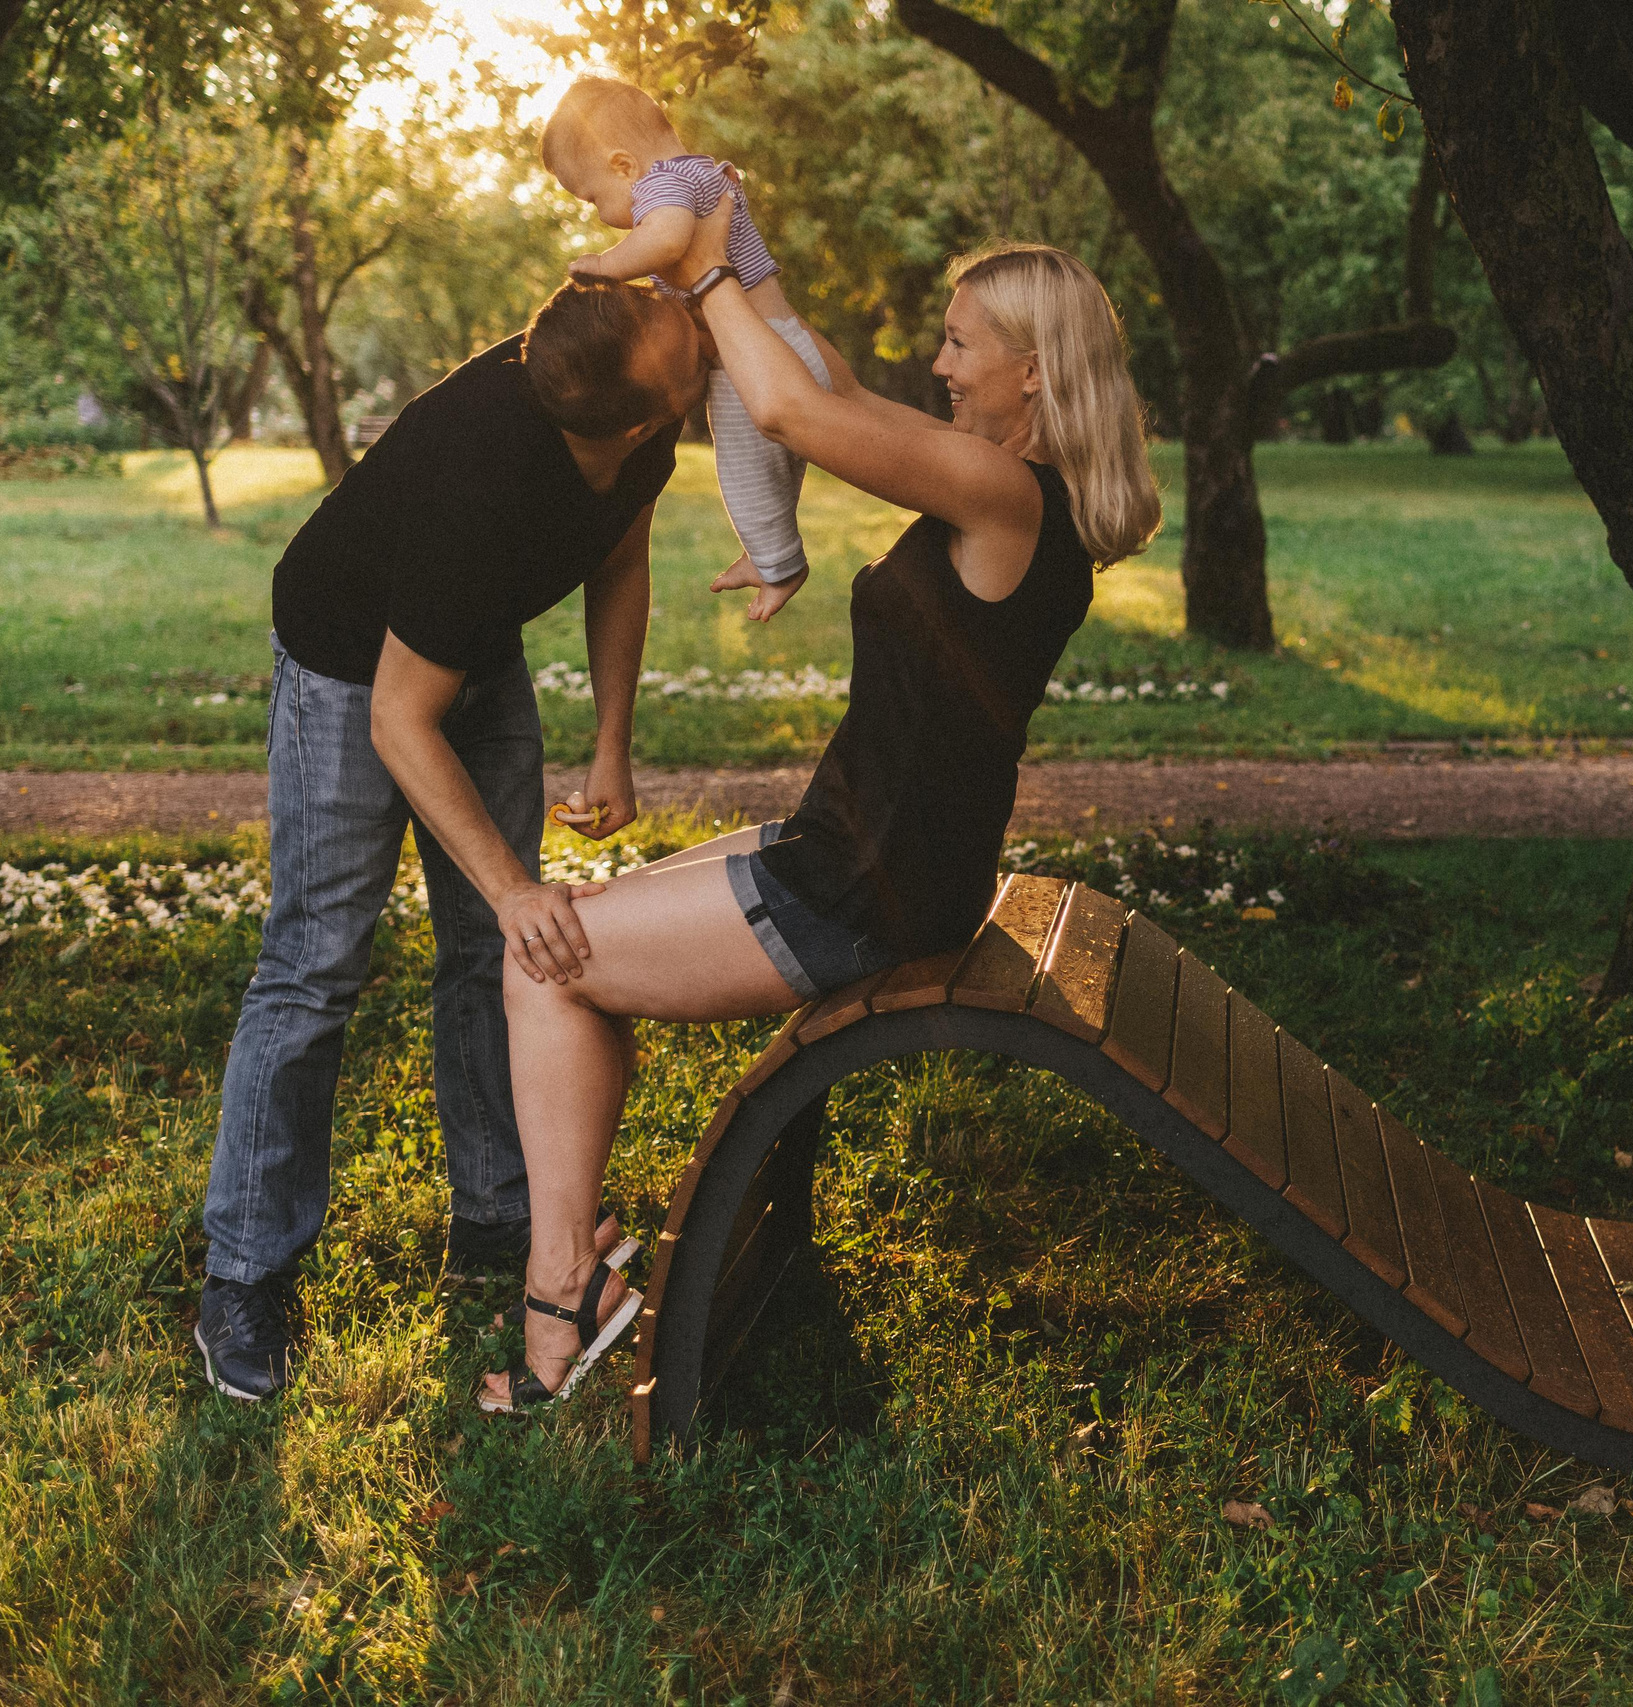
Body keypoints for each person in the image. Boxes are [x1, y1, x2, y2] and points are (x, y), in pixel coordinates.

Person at [476, 214, 1164, 1412]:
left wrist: (697, 265)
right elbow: (831, 387)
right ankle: (573, 1268)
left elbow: (793, 413)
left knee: (541, 959)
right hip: (867, 859)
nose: (940, 366)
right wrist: (743, 250)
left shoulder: (1004, 495)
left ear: (1032, 371)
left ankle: (560, 1297)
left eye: (960, 345)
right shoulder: (1012, 491)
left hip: (860, 887)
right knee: (571, 941)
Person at [194, 279, 704, 1403]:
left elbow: (619, 557)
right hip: (349, 667)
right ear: (639, 418)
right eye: (678, 330)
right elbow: (398, 718)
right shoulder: (482, 478)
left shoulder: (632, 407)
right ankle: (243, 1271)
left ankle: (496, 1213)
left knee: (493, 952)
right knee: (316, 960)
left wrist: (612, 742)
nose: (689, 319)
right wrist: (516, 884)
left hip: (469, 644)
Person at [544, 75, 834, 625]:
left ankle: (780, 564)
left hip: (754, 354)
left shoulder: (663, 185)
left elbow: (667, 240)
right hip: (778, 341)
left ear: (623, 166)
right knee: (767, 471)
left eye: (593, 198)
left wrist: (605, 265)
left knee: (743, 472)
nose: (600, 216)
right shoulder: (698, 172)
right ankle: (769, 551)